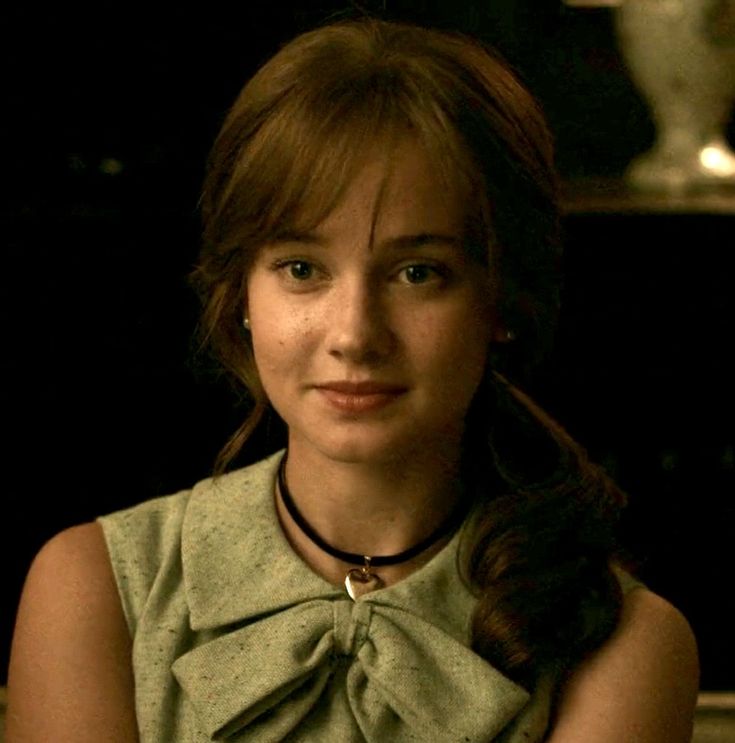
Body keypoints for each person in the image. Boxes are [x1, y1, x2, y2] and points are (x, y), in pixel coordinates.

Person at [6, 17, 699, 743]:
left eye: (416, 272)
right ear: (241, 293)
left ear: (501, 301)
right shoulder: (97, 588)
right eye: (302, 269)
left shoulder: (622, 642)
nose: (354, 335)